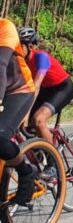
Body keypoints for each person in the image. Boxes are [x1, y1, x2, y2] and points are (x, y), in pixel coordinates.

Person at [17, 27, 73, 145]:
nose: (16, 50)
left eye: (19, 46)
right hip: (46, 90)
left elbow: (36, 86)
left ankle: (52, 155)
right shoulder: (20, 62)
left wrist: (27, 114)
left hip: (62, 88)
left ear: (30, 47)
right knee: (22, 121)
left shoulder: (41, 57)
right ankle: (39, 148)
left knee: (38, 119)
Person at [0, 18, 37, 205]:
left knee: (0, 136)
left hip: (18, 91)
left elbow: (1, 65)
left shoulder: (5, 27)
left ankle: (26, 172)